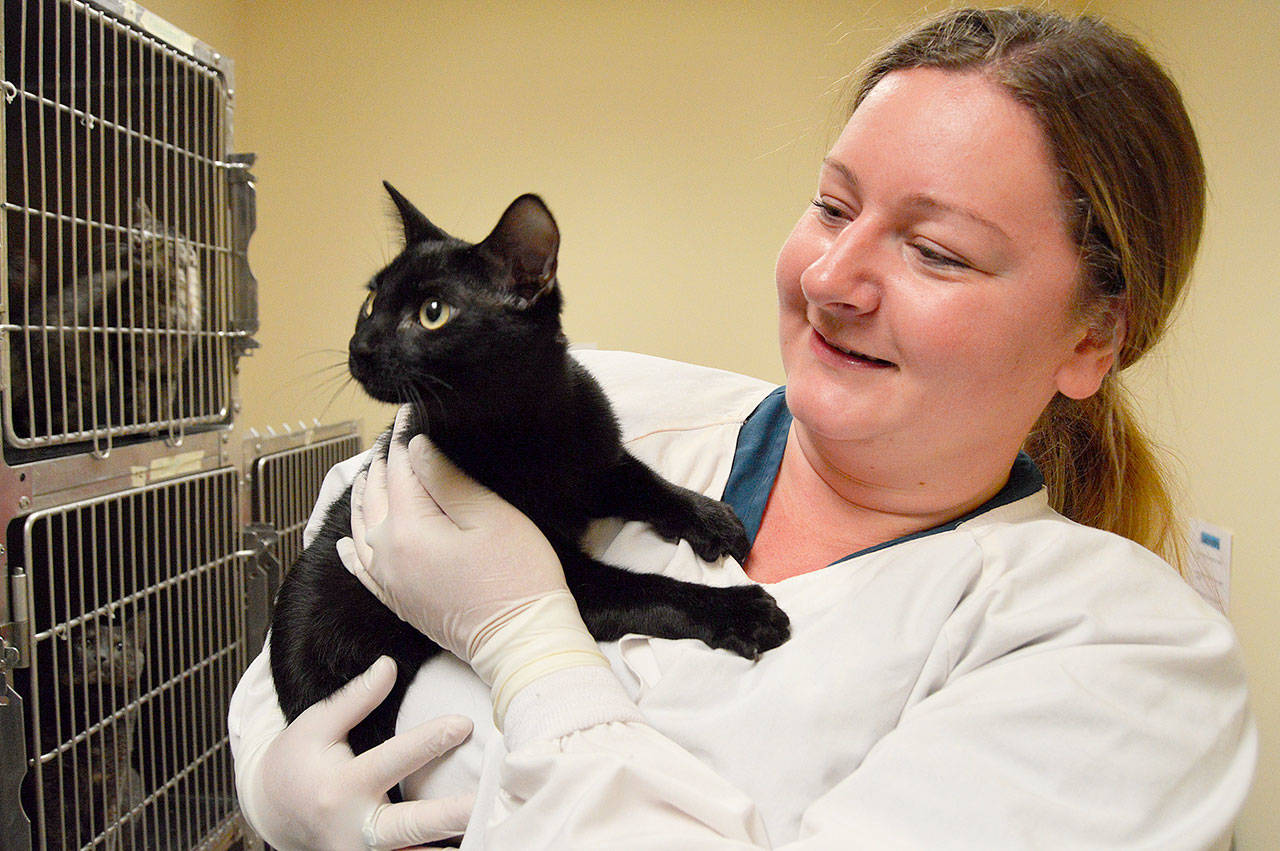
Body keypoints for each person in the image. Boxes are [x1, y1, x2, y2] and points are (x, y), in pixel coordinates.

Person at [228, 7, 1256, 849]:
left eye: (935, 250)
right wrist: (277, 778)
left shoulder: (1126, 658)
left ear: (1091, 337)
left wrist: (532, 649)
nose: (828, 278)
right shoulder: (610, 405)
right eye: (828, 205)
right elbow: (338, 540)